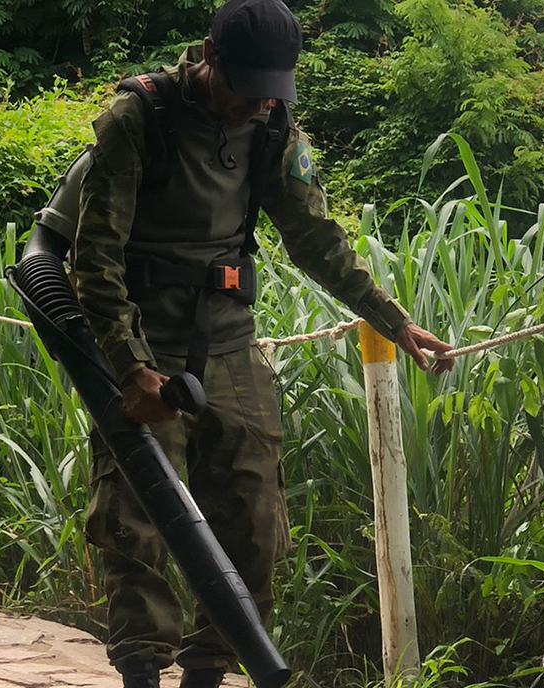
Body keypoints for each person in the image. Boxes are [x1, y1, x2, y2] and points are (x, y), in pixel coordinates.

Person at [73, 0, 454, 685]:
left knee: (253, 518)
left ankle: (208, 672)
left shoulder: (276, 129)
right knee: (136, 524)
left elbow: (315, 237)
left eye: (270, 91)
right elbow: (94, 258)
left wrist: (390, 317)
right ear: (210, 59)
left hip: (228, 340)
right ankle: (139, 673)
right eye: (245, 87)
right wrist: (129, 368)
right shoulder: (141, 118)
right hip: (143, 344)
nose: (256, 103)